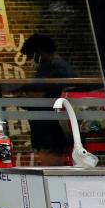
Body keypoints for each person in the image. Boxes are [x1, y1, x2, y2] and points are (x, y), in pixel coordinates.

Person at [20, 33, 76, 165]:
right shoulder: (56, 66)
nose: (31, 61)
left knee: (51, 161)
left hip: (49, 128)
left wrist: (25, 96)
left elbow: (39, 90)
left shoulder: (53, 66)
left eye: (31, 56)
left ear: (38, 52)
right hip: (49, 126)